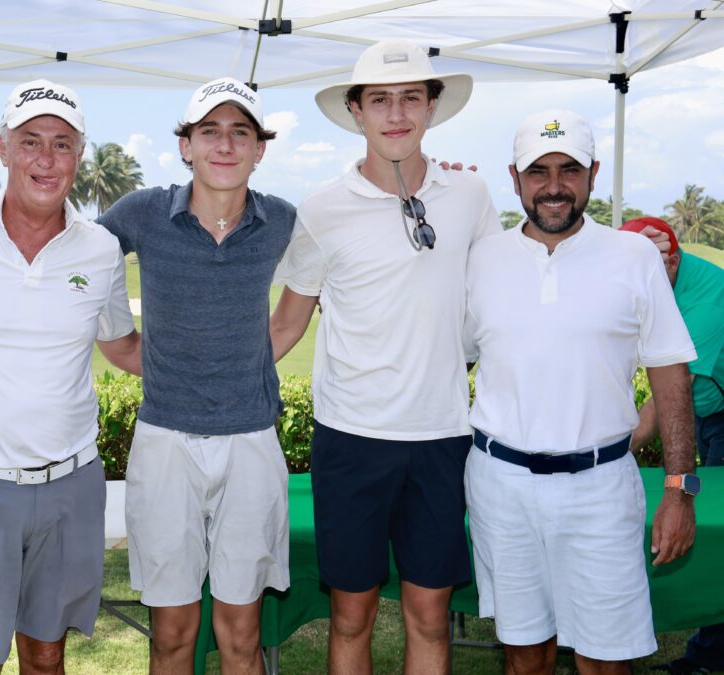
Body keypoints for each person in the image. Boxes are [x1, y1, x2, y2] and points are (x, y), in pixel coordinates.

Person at [0, 76, 295, 675]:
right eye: (210, 131)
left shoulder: (284, 219)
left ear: (261, 148)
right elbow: (61, 242)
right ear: (186, 145)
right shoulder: (140, 214)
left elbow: (304, 299)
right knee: (172, 633)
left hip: (252, 442)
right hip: (163, 442)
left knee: (243, 633)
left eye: (242, 133)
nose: (226, 146)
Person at [268, 39, 500, 673]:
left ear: (430, 108)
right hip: (351, 438)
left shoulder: (472, 196)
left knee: (429, 615)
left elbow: (496, 303)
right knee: (352, 616)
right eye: (380, 100)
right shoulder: (320, 210)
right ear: (356, 111)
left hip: (443, 435)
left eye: (409, 98)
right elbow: (287, 322)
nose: (395, 113)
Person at [0, 79, 140, 674]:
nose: (47, 158)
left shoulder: (101, 249)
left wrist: (220, 359)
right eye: (31, 141)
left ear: (80, 154)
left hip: (72, 483)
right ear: (4, 148)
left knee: (46, 656)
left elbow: (120, 344)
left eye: (62, 144)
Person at [463, 109, 698, 674]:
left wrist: (679, 489)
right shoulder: (480, 258)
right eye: (537, 171)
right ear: (515, 179)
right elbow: (449, 358)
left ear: (593, 174)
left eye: (568, 169)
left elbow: (672, 378)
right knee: (524, 653)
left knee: (606, 660)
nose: (553, 186)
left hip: (601, 488)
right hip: (501, 486)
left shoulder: (633, 255)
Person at [620, 217, 724, 675]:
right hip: (707, 411)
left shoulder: (707, 300)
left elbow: (668, 399)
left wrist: (610, 451)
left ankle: (707, 657)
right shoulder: (648, 276)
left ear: (673, 261)